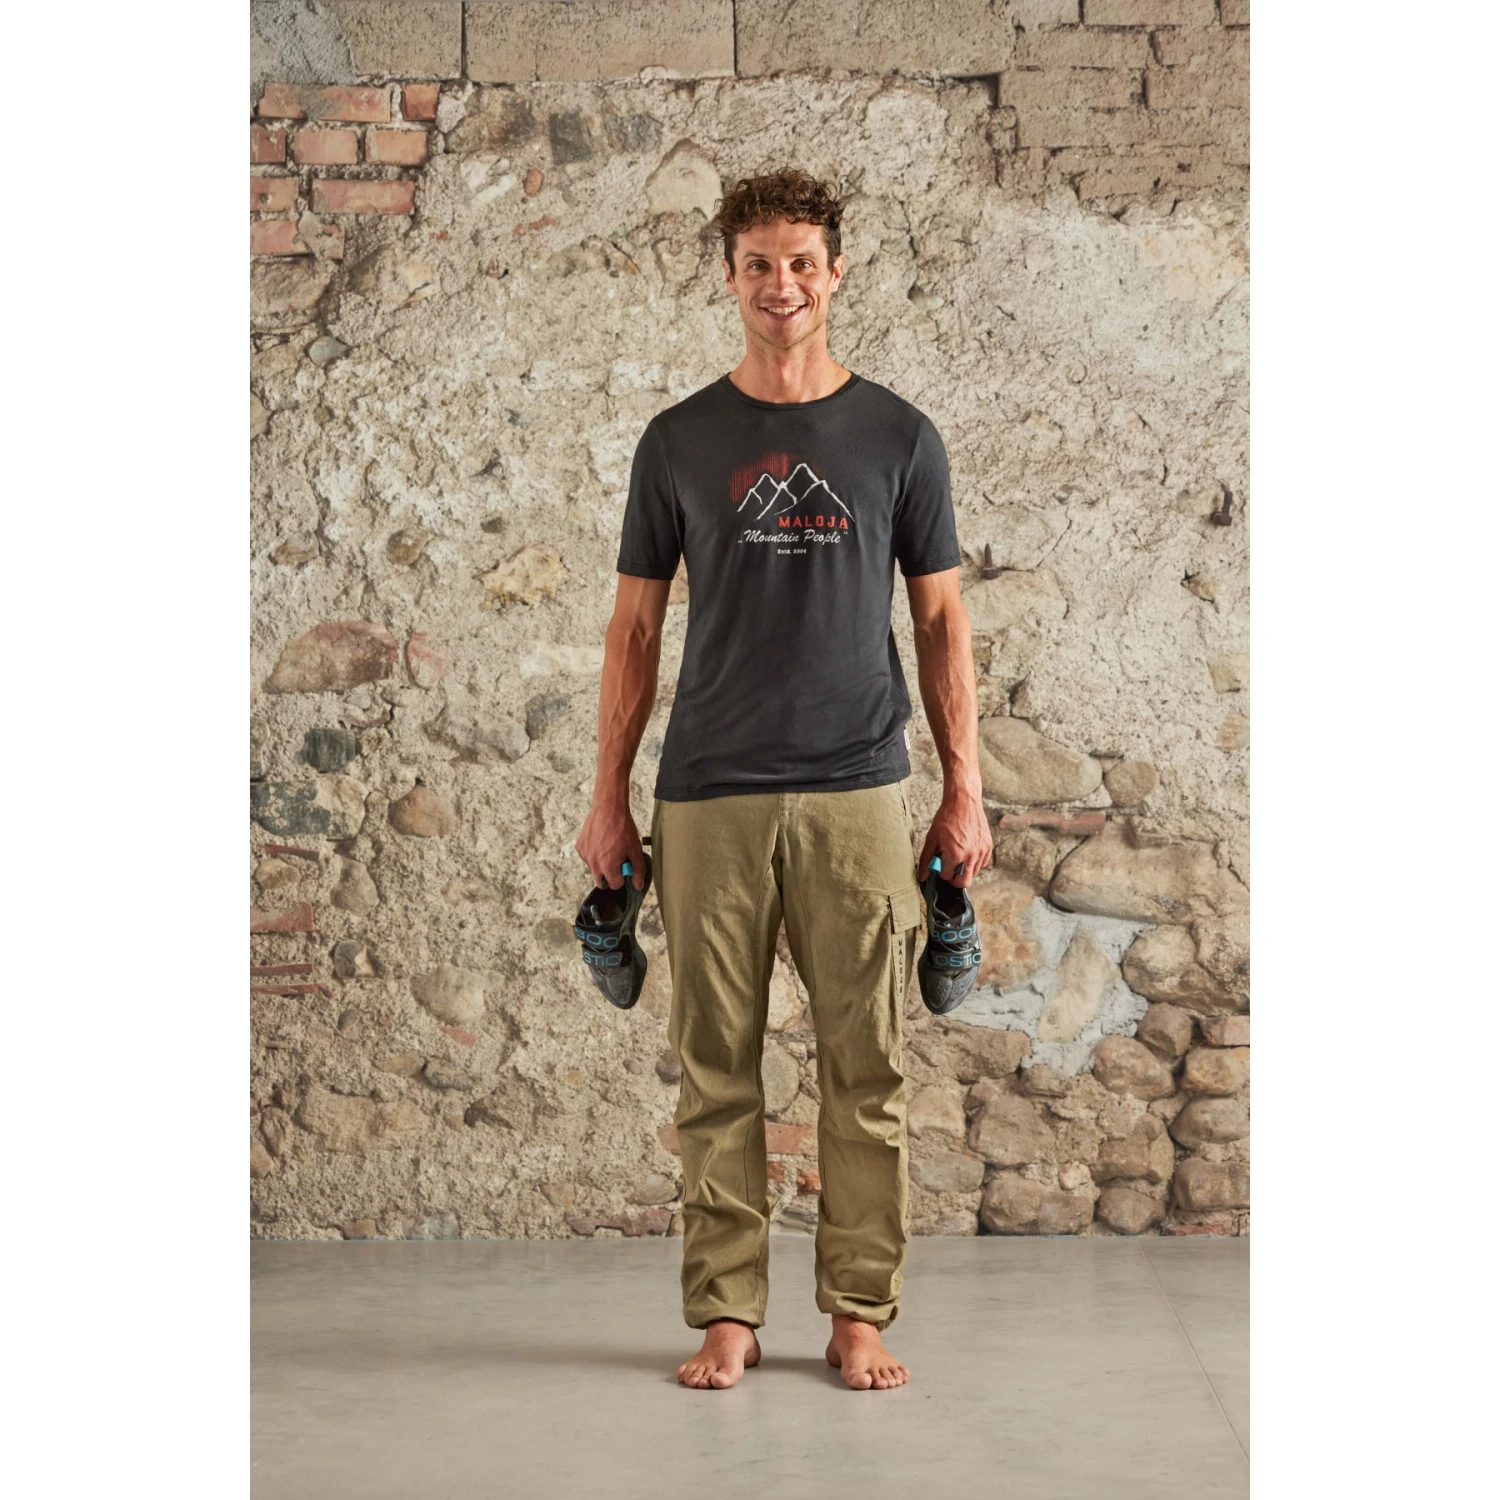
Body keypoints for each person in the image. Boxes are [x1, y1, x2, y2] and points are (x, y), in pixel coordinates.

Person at [575, 169, 992, 1392]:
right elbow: (635, 628)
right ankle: (727, 1313)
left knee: (868, 1064)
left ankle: (859, 1310)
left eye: (802, 260)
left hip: (857, 787)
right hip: (708, 791)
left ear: (836, 272)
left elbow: (942, 623)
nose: (781, 283)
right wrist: (607, 797)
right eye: (758, 263)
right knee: (716, 1064)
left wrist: (963, 788)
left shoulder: (899, 437)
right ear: (729, 277)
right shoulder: (679, 441)